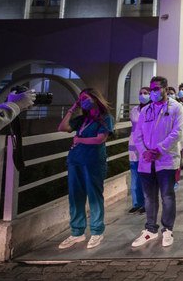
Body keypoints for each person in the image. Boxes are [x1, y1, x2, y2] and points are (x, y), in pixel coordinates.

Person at [131, 76, 183, 248]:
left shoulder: (176, 108)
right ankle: (150, 230)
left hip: (166, 159)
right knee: (149, 197)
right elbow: (137, 134)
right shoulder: (145, 110)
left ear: (164, 88)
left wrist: (159, 149)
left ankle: (167, 229)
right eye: (151, 89)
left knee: (167, 196)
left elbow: (178, 133)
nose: (153, 92)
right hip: (146, 160)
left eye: (156, 89)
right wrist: (145, 152)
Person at [57, 88, 114, 249]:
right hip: (75, 161)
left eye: (85, 98)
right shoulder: (82, 119)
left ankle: (97, 232)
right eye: (80, 99)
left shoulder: (105, 118)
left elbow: (100, 139)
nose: (82, 101)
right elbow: (62, 127)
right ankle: (77, 232)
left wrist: (80, 140)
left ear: (95, 98)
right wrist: (72, 109)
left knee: (95, 197)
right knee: (75, 198)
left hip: (93, 162)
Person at [128, 87, 149, 214]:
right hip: (133, 146)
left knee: (145, 176)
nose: (142, 95)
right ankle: (137, 203)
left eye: (145, 93)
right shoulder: (134, 110)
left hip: (146, 146)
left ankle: (147, 203)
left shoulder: (152, 110)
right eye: (140, 93)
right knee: (135, 176)